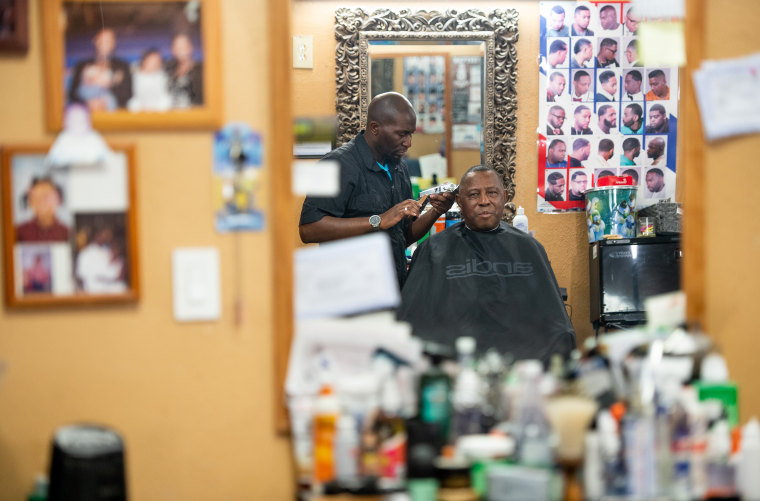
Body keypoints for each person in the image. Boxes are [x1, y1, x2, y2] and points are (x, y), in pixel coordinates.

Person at [397, 165, 576, 364]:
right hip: (455, 363)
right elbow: (411, 322)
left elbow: (558, 327)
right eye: (474, 195)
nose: (484, 201)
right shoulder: (434, 249)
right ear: (459, 201)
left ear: (504, 196)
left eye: (492, 193)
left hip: (521, 364)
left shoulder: (529, 248)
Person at [299, 92, 455, 289]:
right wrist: (378, 221)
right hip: (350, 292)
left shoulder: (399, 166)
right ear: (375, 128)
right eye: (402, 134)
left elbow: (402, 236)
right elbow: (309, 229)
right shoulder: (335, 165)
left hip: (391, 288)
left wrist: (436, 211)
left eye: (410, 134)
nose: (409, 143)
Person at [68, 28, 132, 110]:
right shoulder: (82, 65)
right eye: (101, 39)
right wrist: (88, 102)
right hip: (85, 112)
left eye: (108, 40)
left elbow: (127, 93)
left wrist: (103, 103)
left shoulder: (123, 66)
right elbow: (73, 93)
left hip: (113, 113)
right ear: (95, 41)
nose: (104, 43)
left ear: (114, 42)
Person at [75, 225, 127, 293]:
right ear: (98, 235)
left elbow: (118, 273)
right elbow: (81, 276)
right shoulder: (85, 254)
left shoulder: (109, 251)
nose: (108, 237)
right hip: (95, 292)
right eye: (105, 234)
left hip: (114, 291)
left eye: (109, 234)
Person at [16, 177, 69, 242]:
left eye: (46, 196)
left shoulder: (67, 233)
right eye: (37, 197)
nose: (42, 202)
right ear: (30, 202)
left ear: (57, 199)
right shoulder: (19, 232)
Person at [165, 33, 204, 108]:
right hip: (172, 114)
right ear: (173, 50)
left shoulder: (200, 71)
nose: (180, 50)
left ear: (190, 47)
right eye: (177, 47)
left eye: (183, 47)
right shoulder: (169, 70)